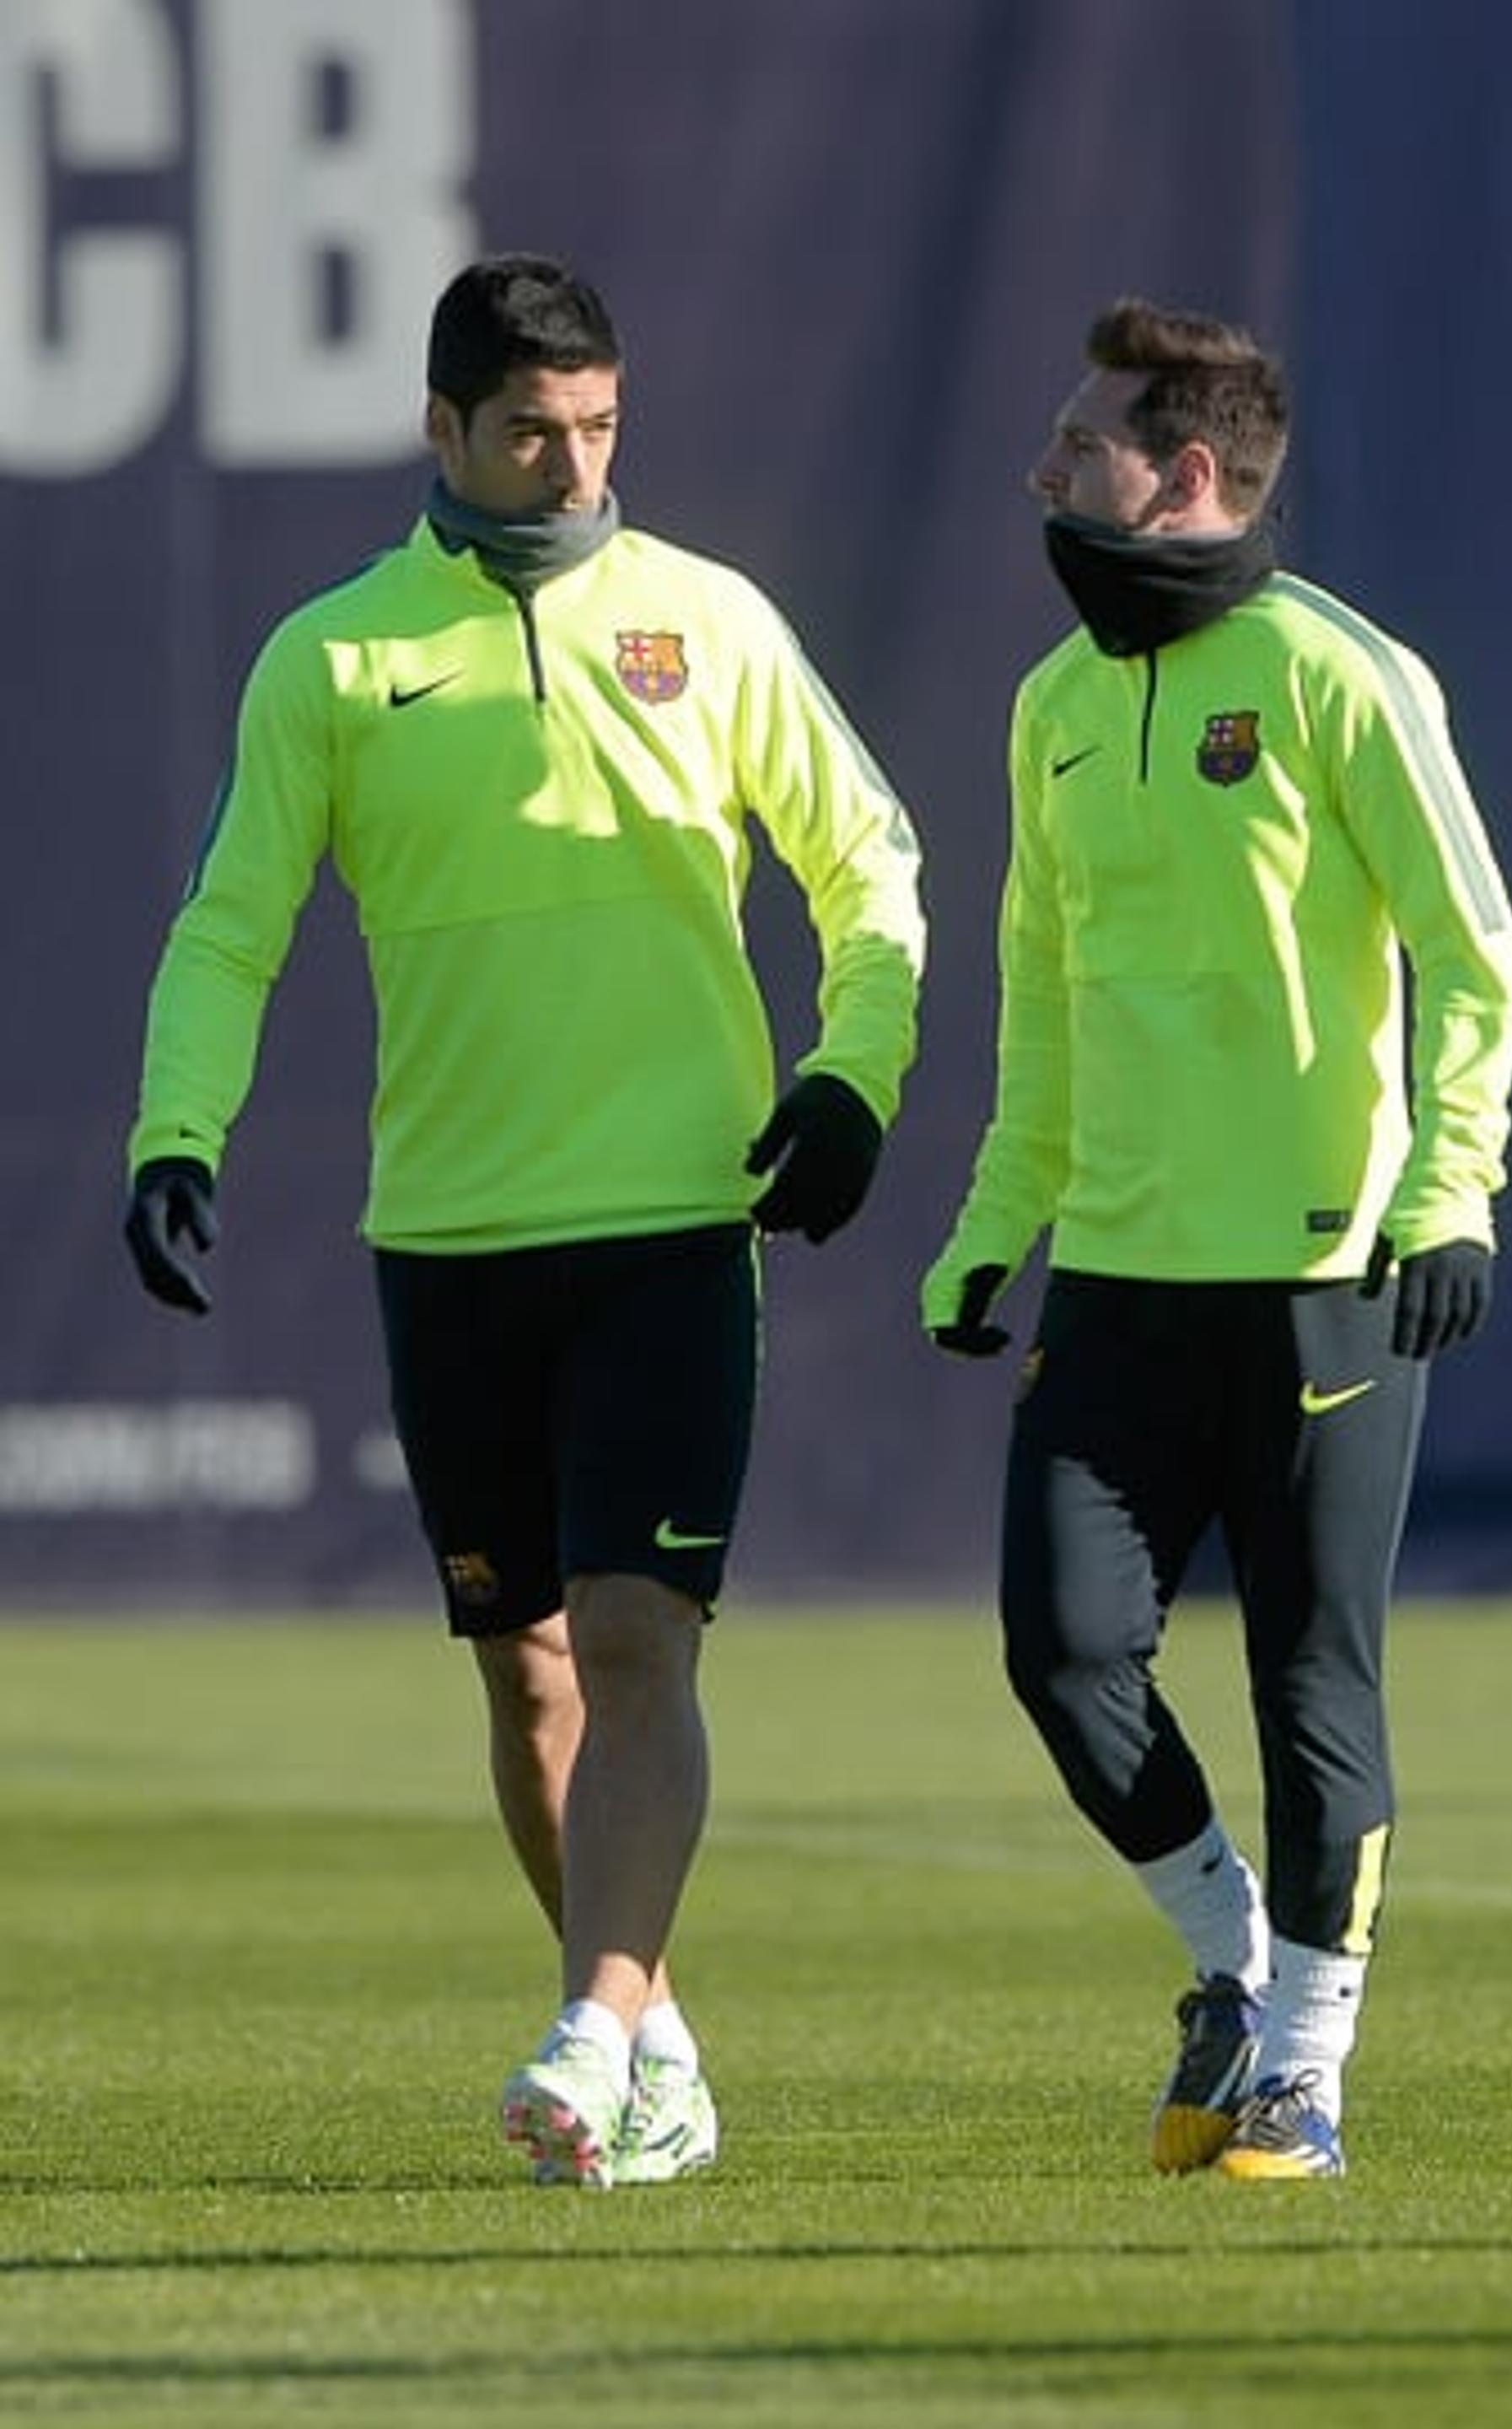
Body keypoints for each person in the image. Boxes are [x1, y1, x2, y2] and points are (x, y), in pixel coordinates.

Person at [124, 253, 925, 2190]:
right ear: (443, 429)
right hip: (452, 1239)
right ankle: (650, 2030)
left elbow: (869, 865)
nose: (574, 470)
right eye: (532, 433)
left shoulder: (708, 620)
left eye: (601, 431)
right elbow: (234, 922)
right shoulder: (332, 656)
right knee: (531, 1668)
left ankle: (586, 2027)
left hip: (671, 1220)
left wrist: (853, 1077)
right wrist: (178, 1126)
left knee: (643, 1636)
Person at [923, 298, 1512, 2180]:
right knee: (1062, 1649)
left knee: (1309, 1686)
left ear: (1184, 476)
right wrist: (993, 1220)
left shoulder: (1343, 674)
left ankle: (1304, 2079)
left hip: (1317, 1283)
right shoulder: (1053, 705)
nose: (1044, 475)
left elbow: (1474, 951)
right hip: (1113, 1279)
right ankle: (1231, 1971)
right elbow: (1041, 988)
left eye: (1078, 447)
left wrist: (1448, 1189)